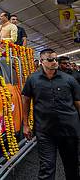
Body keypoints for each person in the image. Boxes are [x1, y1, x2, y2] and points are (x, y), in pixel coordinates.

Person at [22, 48, 80, 180]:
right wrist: (25, 125)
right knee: (46, 168)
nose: (54, 62)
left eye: (55, 59)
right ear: (42, 61)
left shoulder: (69, 80)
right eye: (50, 59)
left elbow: (78, 103)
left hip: (69, 131)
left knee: (72, 166)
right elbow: (25, 100)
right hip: (45, 132)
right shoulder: (33, 79)